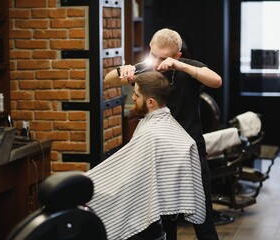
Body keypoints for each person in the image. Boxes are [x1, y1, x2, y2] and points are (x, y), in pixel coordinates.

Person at [104, 28, 222, 240]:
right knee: (166, 224)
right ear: (149, 49)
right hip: (160, 156)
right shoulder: (145, 69)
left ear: (177, 55)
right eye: (154, 55)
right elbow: (109, 79)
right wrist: (125, 71)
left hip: (190, 154)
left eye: (164, 58)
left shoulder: (187, 68)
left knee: (204, 222)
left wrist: (182, 66)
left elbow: (216, 81)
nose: (157, 62)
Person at [85, 71, 206, 240]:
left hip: (150, 208)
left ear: (150, 102)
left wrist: (90, 182)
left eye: (136, 95)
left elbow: (132, 176)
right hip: (160, 210)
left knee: (92, 196)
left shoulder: (152, 134)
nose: (133, 98)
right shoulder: (161, 126)